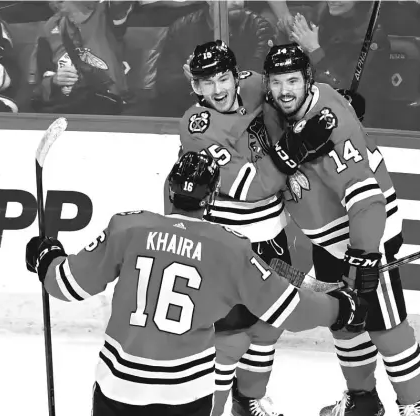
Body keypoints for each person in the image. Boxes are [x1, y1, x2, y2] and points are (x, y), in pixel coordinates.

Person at [25, 151, 368, 416]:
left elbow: (66, 284)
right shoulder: (229, 248)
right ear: (213, 196)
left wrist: (46, 256)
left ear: (170, 188)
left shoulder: (127, 228)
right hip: (184, 395)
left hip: (119, 387)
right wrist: (342, 308)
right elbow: (289, 310)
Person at [262, 44, 420, 416]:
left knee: (386, 326)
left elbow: (367, 200)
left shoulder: (332, 123)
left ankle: (413, 406)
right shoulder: (277, 106)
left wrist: (366, 254)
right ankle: (363, 400)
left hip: (367, 233)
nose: (284, 90)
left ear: (308, 80)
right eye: (277, 82)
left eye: (292, 81)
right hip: (329, 242)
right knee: (345, 322)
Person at [171, 40, 336, 416]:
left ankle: (248, 402)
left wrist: (333, 106)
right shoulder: (197, 129)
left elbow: (290, 92)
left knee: (268, 326)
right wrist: (294, 147)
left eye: (223, 78)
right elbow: (252, 187)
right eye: (206, 82)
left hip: (272, 235)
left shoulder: (252, 84)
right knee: (228, 338)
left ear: (235, 74)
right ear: (195, 87)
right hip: (229, 242)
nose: (217, 90)